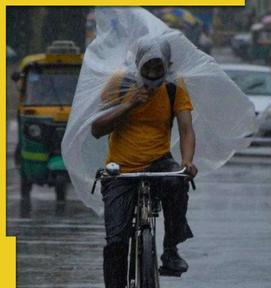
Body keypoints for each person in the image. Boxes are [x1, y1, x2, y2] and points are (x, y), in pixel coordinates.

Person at [91, 38, 197, 288]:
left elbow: (186, 129)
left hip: (158, 162)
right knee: (116, 240)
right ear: (138, 64)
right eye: (147, 68)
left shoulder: (173, 87)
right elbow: (97, 128)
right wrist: (130, 104)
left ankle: (170, 249)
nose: (151, 74)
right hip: (120, 169)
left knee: (177, 181)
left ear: (167, 67)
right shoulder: (120, 83)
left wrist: (187, 162)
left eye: (157, 68)